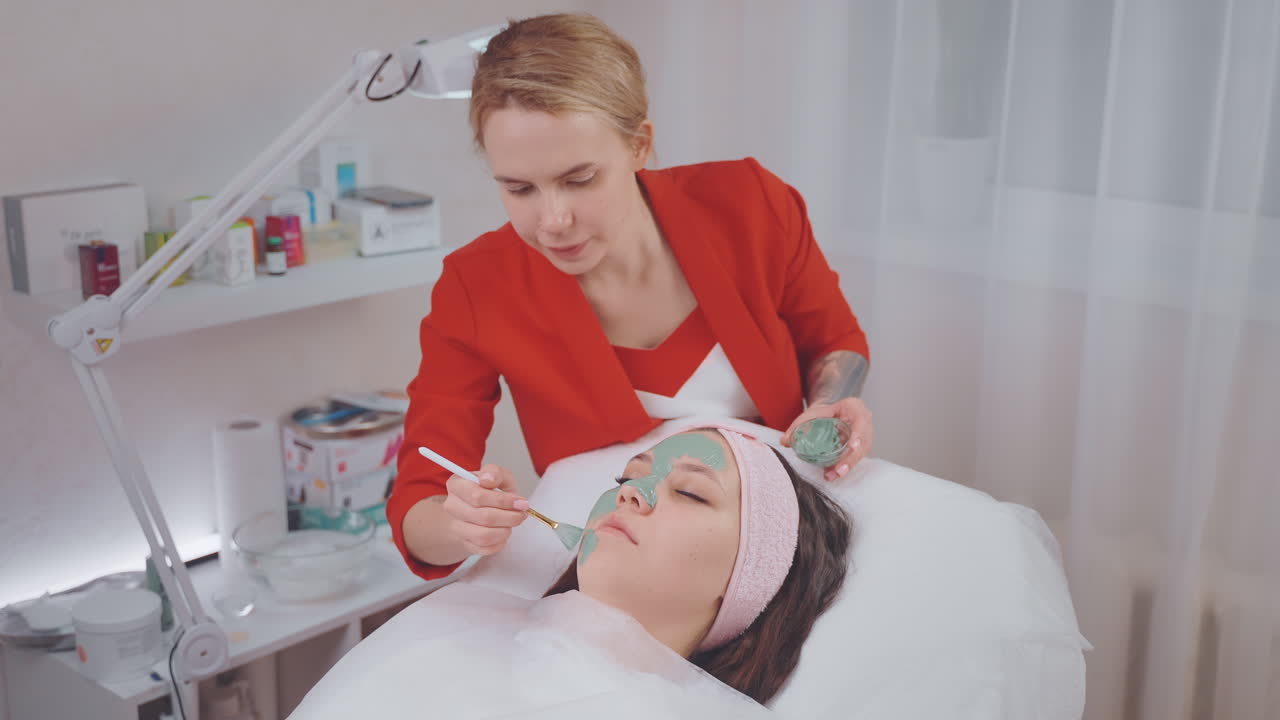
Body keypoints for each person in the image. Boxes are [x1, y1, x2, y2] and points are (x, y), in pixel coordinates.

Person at [389, 12, 873, 582]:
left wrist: (829, 405)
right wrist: (458, 525)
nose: (552, 220)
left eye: (580, 179)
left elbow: (834, 344)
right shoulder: (477, 286)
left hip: (784, 546)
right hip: (626, 573)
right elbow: (420, 495)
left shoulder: (750, 206)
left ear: (639, 145)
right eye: (519, 189)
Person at [290, 427, 851, 717]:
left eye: (689, 492)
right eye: (625, 479)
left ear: (752, 579)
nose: (632, 492)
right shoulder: (459, 622)